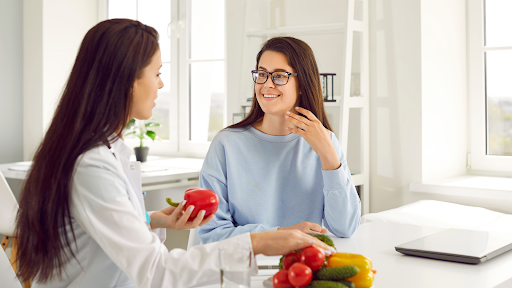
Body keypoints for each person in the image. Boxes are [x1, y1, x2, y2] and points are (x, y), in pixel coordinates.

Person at [14, 20, 334, 288]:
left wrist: (149, 220)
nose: (162, 84)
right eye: (156, 73)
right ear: (127, 82)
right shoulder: (91, 165)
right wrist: (259, 241)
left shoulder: (107, 150)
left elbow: (92, 226)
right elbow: (157, 271)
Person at [198, 37, 361, 244]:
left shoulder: (325, 142)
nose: (267, 84)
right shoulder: (226, 145)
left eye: (279, 76)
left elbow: (345, 227)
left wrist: (328, 155)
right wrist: (281, 233)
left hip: (303, 268)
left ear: (302, 84)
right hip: (245, 268)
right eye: (262, 74)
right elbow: (212, 234)